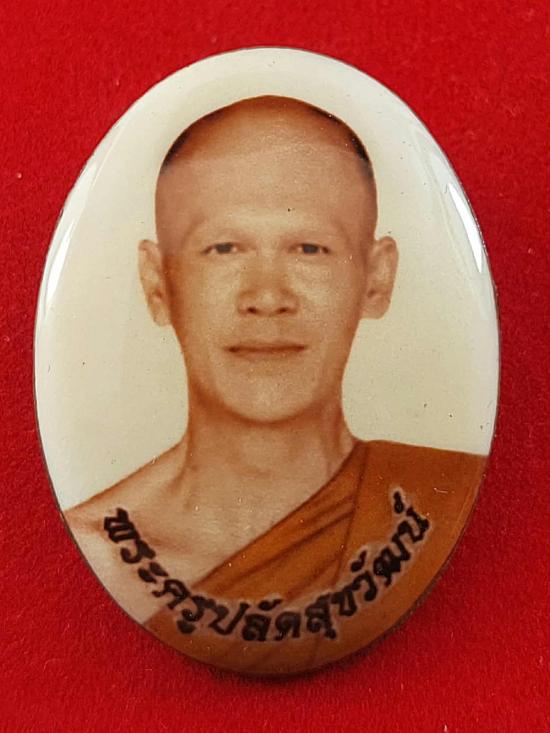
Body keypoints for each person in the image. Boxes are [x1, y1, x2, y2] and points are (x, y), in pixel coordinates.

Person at [66, 96, 486, 674]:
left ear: (377, 278)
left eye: (310, 248)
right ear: (158, 283)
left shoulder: (434, 500)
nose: (266, 297)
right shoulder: (101, 543)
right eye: (224, 248)